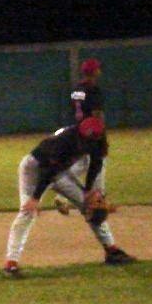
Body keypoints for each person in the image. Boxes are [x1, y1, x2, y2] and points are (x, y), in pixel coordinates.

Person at [4, 117, 136, 277]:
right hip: (34, 169)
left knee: (91, 205)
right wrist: (35, 198)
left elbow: (96, 163)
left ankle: (112, 251)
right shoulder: (65, 139)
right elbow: (48, 171)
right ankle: (11, 263)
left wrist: (89, 191)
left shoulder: (99, 139)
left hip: (60, 173)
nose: (86, 140)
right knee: (27, 212)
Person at [54, 58, 105, 215]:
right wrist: (101, 132)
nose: (99, 71)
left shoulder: (76, 89)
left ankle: (63, 196)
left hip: (78, 130)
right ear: (94, 72)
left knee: (82, 164)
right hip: (91, 131)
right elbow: (97, 114)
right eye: (97, 69)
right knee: (98, 163)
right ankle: (98, 199)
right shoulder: (93, 89)